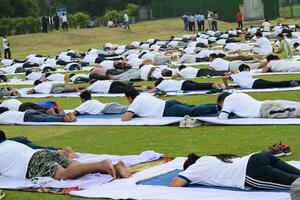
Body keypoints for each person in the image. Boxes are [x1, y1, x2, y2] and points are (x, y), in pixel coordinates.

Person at [171, 151, 300, 195]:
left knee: (296, 184)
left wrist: (187, 174)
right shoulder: (210, 158)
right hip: (259, 157)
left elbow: (176, 184)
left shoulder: (196, 168)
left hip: (252, 172)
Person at [0, 139, 131, 180]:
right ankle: (115, 167)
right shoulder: (10, 142)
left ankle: (101, 165)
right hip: (44, 152)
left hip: (31, 163)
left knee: (63, 175)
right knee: (75, 168)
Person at [121, 88, 217, 121]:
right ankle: (217, 105)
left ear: (129, 98)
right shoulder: (143, 96)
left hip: (167, 109)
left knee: (192, 112)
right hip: (169, 103)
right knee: (194, 108)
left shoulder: (135, 102)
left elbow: (125, 118)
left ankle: (218, 107)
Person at [217, 92, 300, 120]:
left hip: (263, 110)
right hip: (265, 104)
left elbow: (222, 117)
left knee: (290, 113)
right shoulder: (237, 94)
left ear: (222, 101)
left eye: (221, 105)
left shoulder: (228, 99)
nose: (222, 108)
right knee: (289, 110)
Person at [0, 130, 77, 159]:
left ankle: (62, 151)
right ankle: (61, 150)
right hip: (18, 140)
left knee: (37, 151)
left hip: (17, 142)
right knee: (38, 148)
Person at [223, 64, 300, 89]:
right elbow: (236, 73)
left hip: (254, 85)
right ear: (245, 69)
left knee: (274, 84)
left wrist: (227, 86)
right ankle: (292, 82)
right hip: (257, 81)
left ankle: (292, 82)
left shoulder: (235, 76)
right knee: (274, 83)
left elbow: (224, 78)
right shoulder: (247, 73)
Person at [0, 107, 76, 123]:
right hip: (28, 111)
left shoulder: (1, 117)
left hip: (26, 117)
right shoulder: (6, 113)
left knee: (45, 119)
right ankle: (66, 115)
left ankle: (63, 118)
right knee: (47, 116)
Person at [147, 78, 225, 93]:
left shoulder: (161, 84)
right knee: (198, 85)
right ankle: (216, 84)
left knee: (198, 87)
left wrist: (146, 92)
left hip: (183, 86)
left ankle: (213, 85)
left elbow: (155, 90)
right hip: (184, 82)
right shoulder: (167, 81)